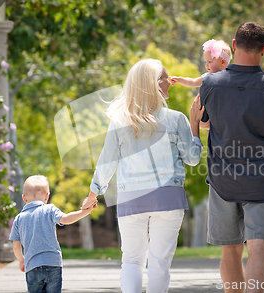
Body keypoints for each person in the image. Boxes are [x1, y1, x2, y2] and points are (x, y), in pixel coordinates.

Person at [81, 58, 205, 293]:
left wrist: (93, 193)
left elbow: (107, 161)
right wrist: (194, 124)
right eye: (166, 77)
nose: (170, 81)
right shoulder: (177, 119)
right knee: (160, 265)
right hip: (168, 199)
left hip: (130, 199)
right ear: (156, 84)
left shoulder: (120, 121)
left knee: (131, 261)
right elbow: (192, 158)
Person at [199, 22, 264, 293]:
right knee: (258, 249)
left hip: (223, 183)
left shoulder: (210, 84)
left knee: (230, 251)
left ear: (233, 46)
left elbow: (203, 122)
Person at [10, 175, 97, 293]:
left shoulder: (19, 218)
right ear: (47, 196)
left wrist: (21, 260)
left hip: (32, 266)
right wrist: (84, 212)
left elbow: (16, 246)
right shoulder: (50, 209)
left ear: (24, 198)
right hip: (52, 264)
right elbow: (66, 219)